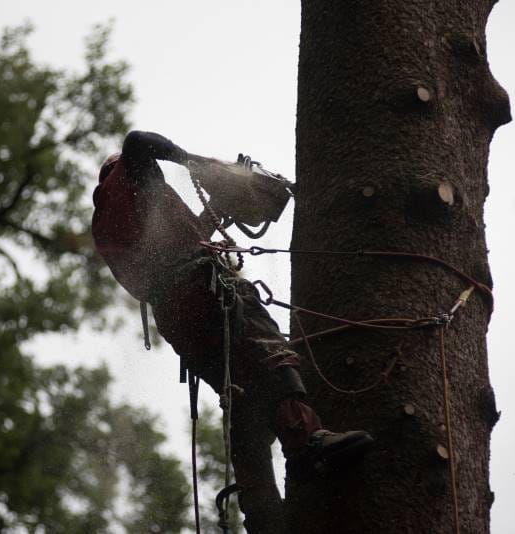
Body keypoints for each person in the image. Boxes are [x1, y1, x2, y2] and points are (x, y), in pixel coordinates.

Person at [92, 131, 373, 529]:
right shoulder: (131, 174)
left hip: (178, 317)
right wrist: (194, 161)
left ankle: (261, 511)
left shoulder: (113, 220)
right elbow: (138, 140)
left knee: (240, 393)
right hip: (205, 291)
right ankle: (306, 440)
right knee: (266, 348)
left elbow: (175, 250)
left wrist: (215, 214)